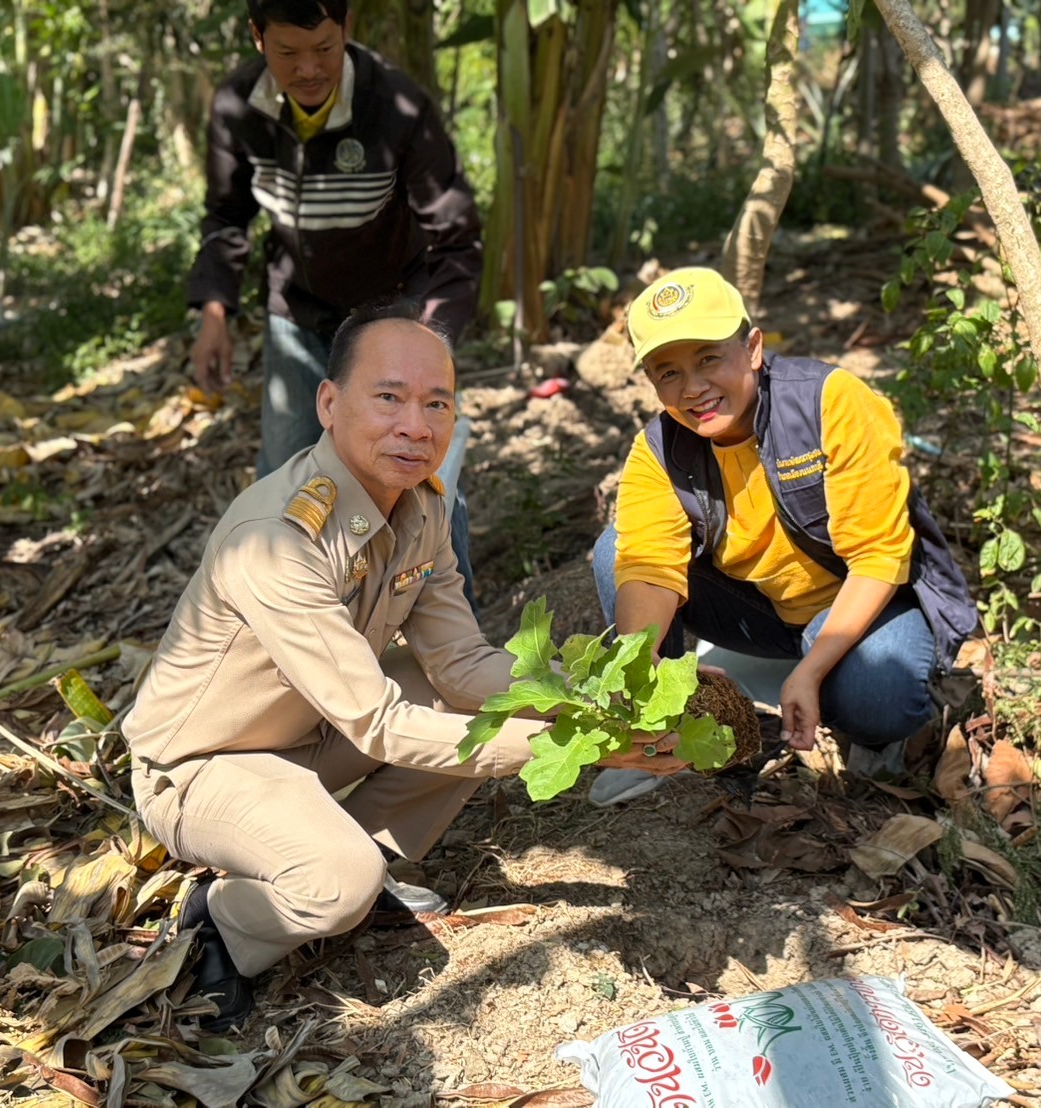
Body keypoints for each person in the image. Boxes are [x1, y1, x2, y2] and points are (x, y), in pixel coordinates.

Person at [125, 298, 680, 1029]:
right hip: (206, 764)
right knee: (335, 883)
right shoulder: (277, 538)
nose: (416, 426)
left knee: (475, 705)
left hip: (315, 736)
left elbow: (462, 664)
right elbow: (380, 724)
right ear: (328, 403)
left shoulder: (421, 509)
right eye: (388, 398)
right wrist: (577, 748)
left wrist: (596, 700)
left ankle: (364, 854)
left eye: (436, 403)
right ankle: (221, 923)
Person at [589, 268, 979, 806]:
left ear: (752, 348)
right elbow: (649, 567)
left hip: (863, 604)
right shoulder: (657, 450)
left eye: (708, 358)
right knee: (616, 550)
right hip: (760, 610)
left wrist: (812, 671)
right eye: (668, 373)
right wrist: (641, 665)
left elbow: (878, 557)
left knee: (877, 691)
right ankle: (664, 739)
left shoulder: (830, 401)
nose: (694, 388)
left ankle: (876, 734)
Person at [186, 0, 482, 606]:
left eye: (323, 48)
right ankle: (290, 637)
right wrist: (214, 311)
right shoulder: (237, 107)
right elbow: (226, 217)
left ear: (346, 29)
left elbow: (457, 240)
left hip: (392, 314)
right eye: (287, 52)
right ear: (257, 37)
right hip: (298, 314)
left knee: (417, 474)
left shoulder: (397, 106)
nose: (308, 69)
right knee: (285, 482)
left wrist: (428, 345)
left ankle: (457, 631)